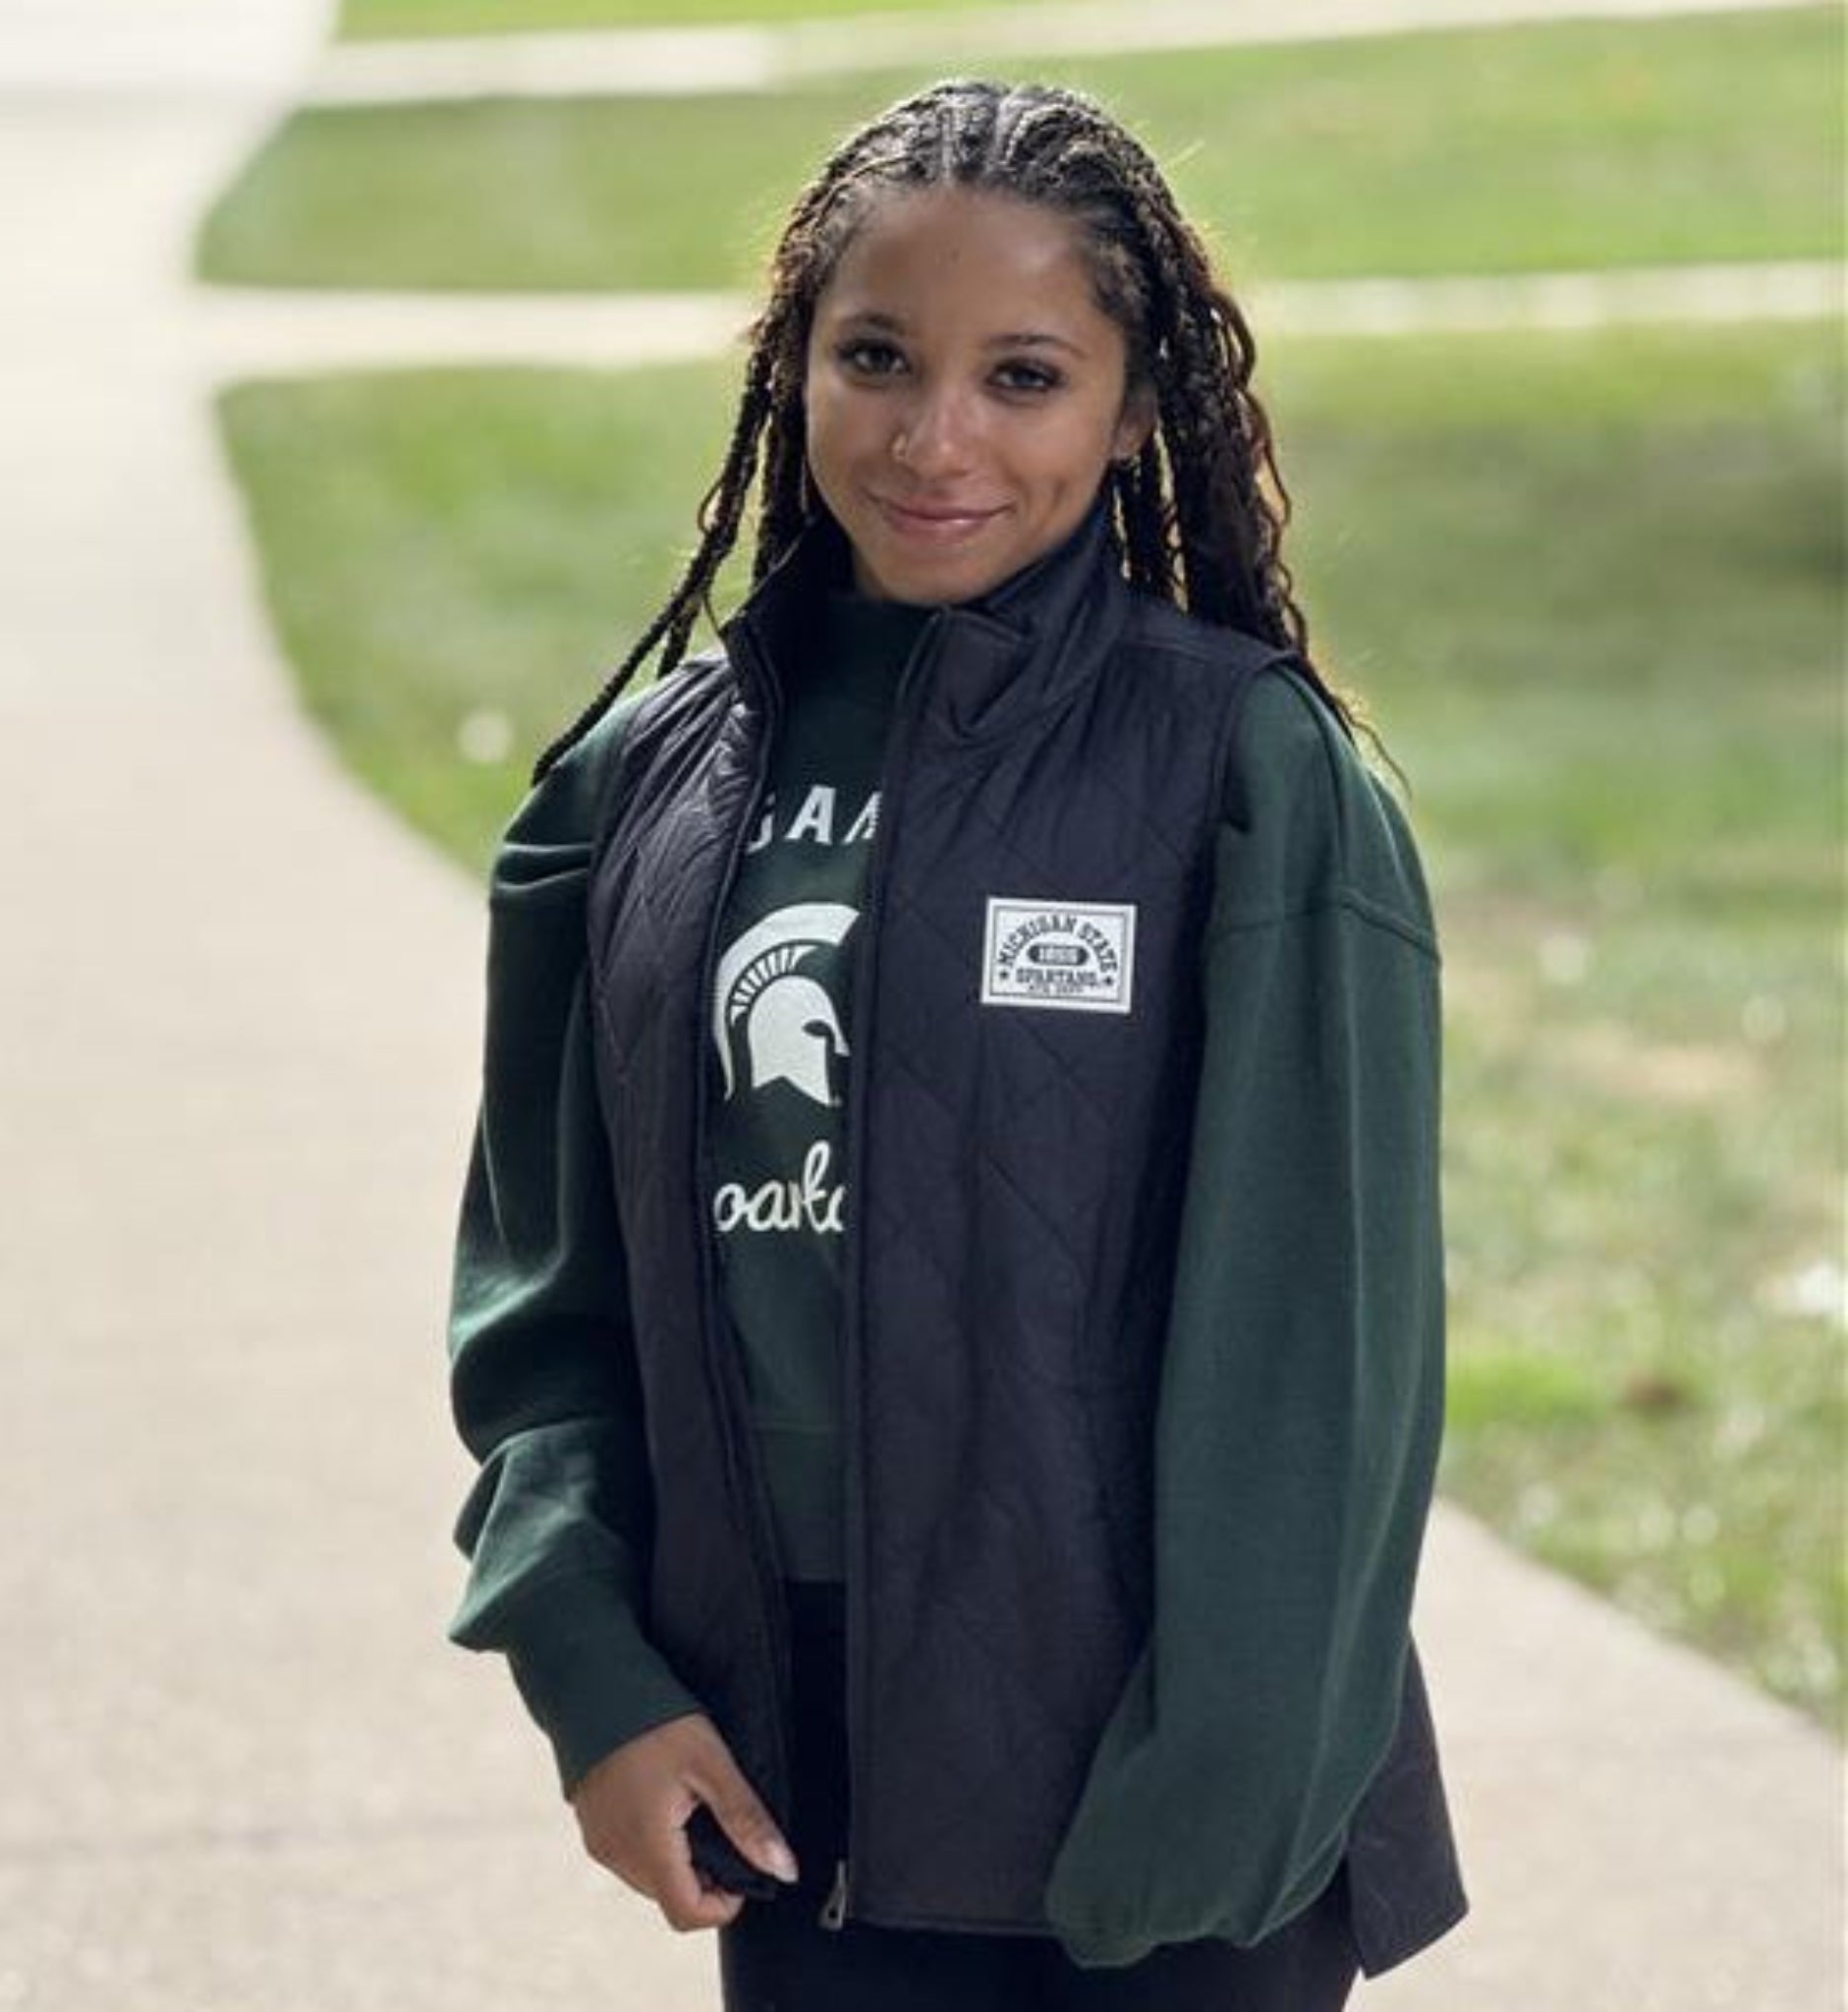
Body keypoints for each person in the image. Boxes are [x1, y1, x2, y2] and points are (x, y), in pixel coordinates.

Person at [442, 77, 1470, 2011]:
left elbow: (1320, 1365)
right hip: (781, 1770)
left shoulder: (1247, 776)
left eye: (1021, 376)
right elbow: (542, 1314)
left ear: (1133, 405)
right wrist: (595, 1681)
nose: (934, 439)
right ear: (790, 370)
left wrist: (1220, 1798)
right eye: (876, 359)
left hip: (1161, 1790)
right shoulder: (634, 788)